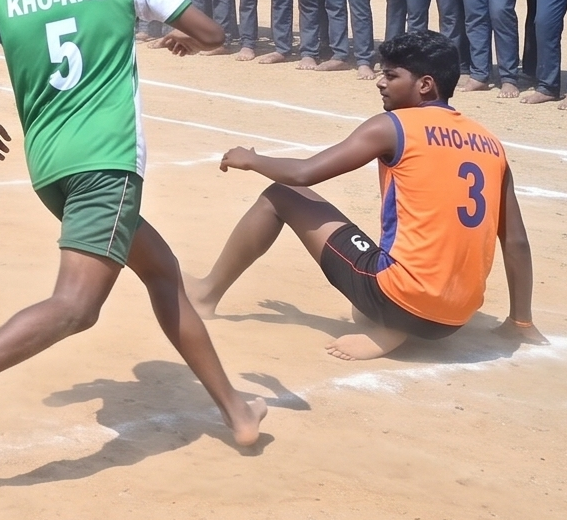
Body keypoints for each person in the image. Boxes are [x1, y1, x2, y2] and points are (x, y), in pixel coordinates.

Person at [0, 0, 268, 472]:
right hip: (106, 162)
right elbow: (213, 34)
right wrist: (185, 39)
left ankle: (236, 412)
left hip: (52, 168)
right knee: (78, 306)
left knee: (162, 272)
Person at [189, 30, 540, 361]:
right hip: (454, 319)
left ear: (425, 85)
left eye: (391, 75)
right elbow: (516, 241)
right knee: (367, 299)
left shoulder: (393, 126)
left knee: (281, 194)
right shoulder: (490, 143)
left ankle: (206, 296)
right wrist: (520, 322)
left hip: (401, 299)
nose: (380, 81)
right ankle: (394, 322)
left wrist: (252, 159)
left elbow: (303, 174)